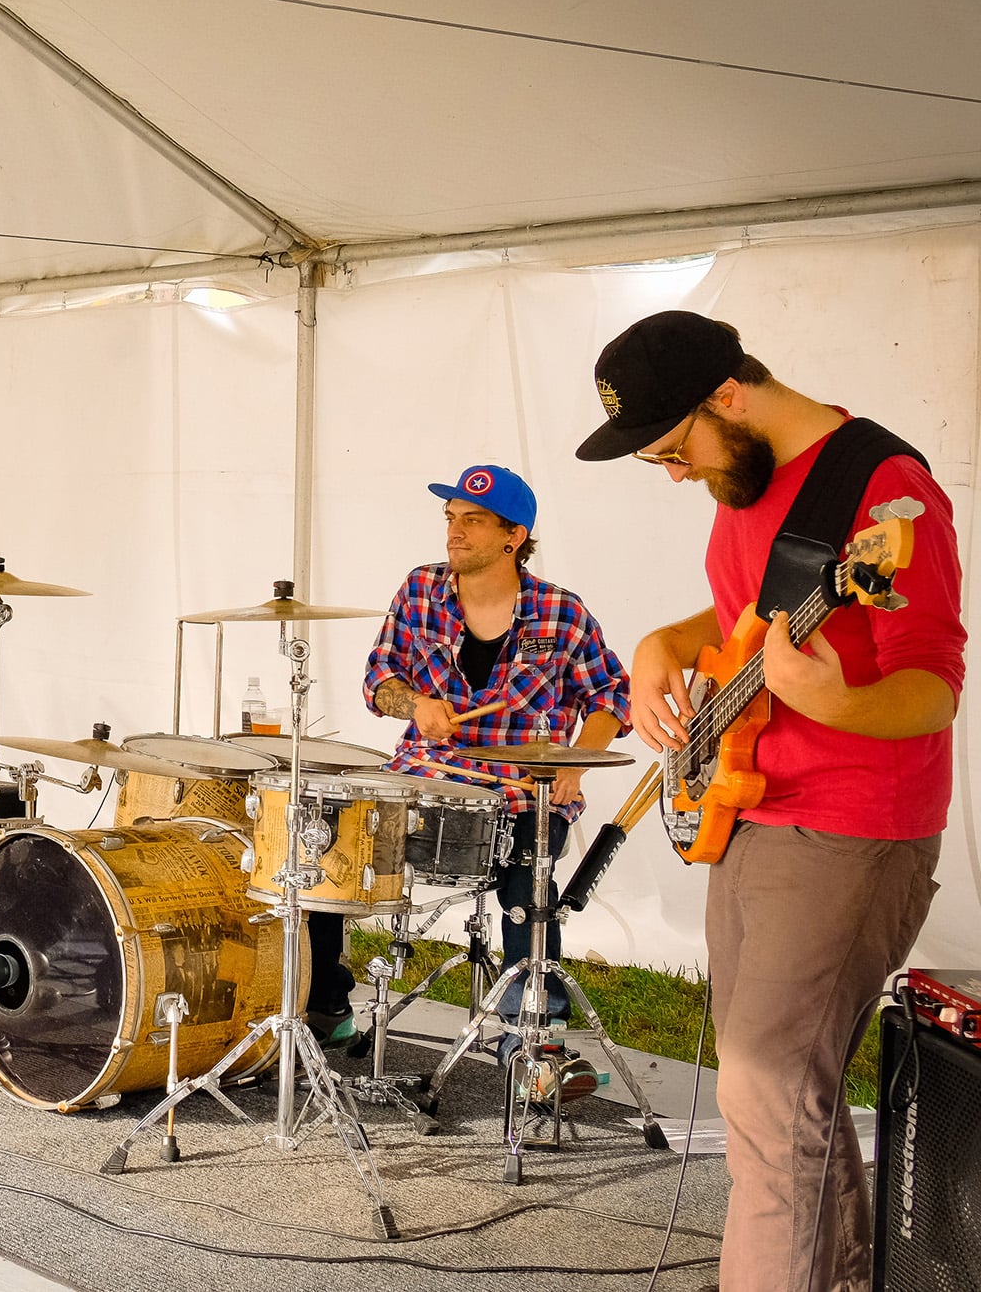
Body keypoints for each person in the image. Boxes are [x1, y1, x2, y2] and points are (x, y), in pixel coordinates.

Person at [578, 311, 963, 1292]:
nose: (676, 475)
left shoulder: (885, 491)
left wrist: (837, 702)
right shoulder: (742, 476)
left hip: (848, 829)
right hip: (748, 808)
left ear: (728, 397)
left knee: (763, 1099)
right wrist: (662, 644)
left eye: (674, 451)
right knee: (786, 1101)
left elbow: (933, 682)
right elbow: (749, 610)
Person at [353, 463, 631, 1084]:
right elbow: (379, 679)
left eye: (473, 521)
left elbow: (612, 697)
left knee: (528, 898)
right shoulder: (420, 590)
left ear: (514, 536)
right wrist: (415, 705)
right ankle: (323, 1009)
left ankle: (532, 1041)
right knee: (329, 855)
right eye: (451, 517)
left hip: (520, 788)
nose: (454, 531)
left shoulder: (560, 612)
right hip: (427, 775)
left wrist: (576, 766)